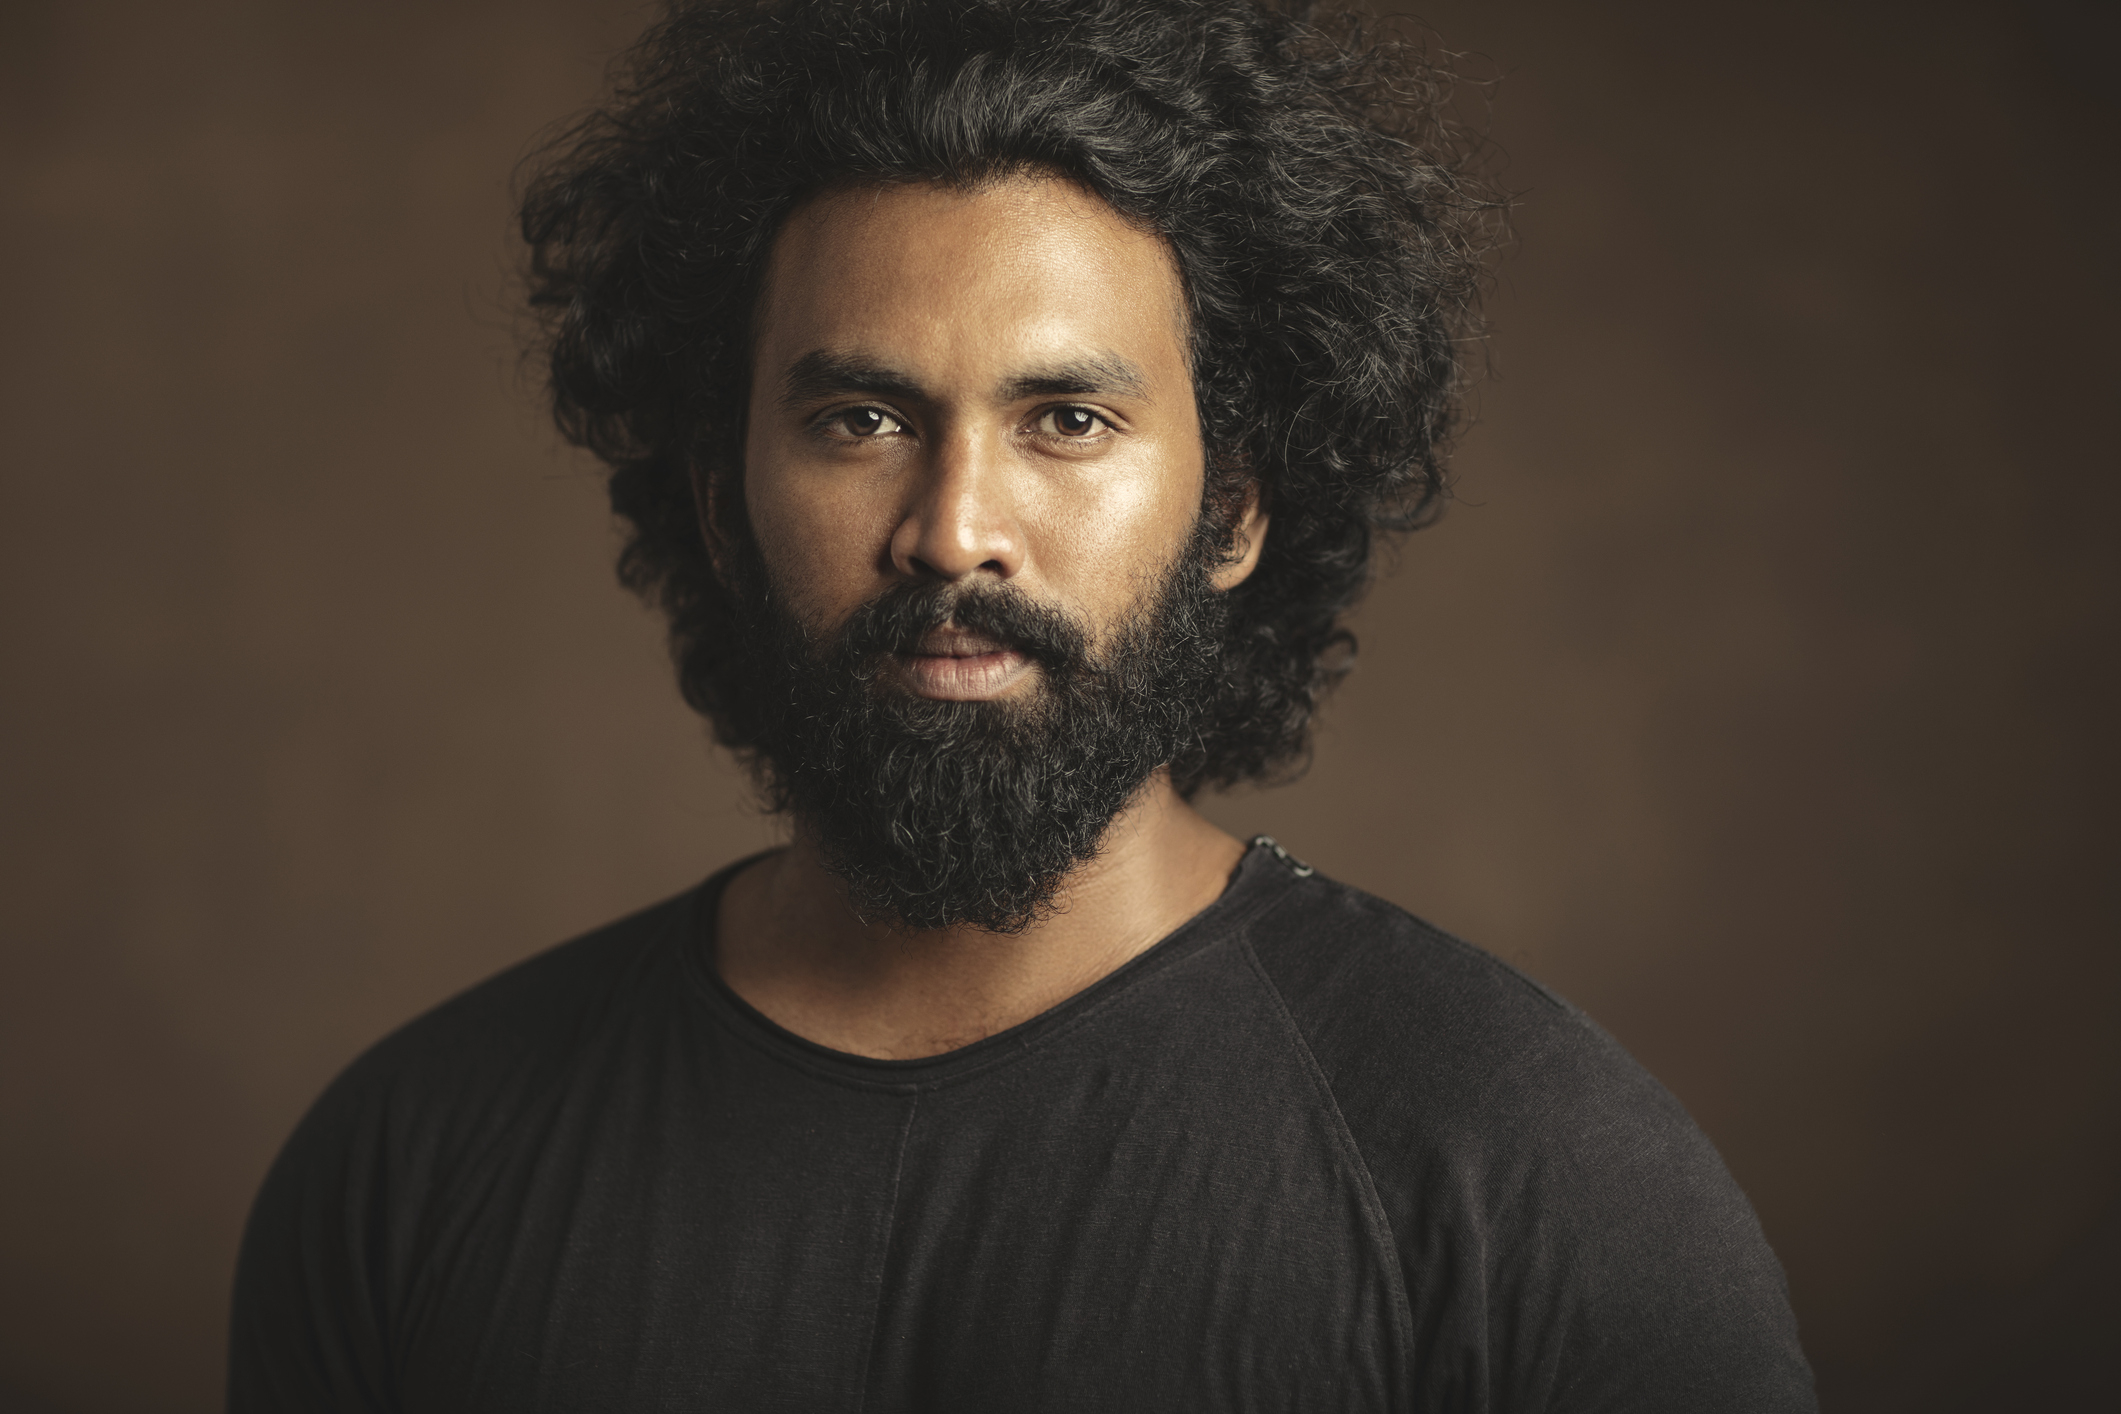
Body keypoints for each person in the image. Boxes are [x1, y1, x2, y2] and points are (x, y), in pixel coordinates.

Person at [228, 1, 1816, 1408]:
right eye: (859, 416)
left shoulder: (1536, 1174)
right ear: (721, 502)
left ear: (1237, 510)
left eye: (1065, 416)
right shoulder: (412, 1164)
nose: (951, 527)